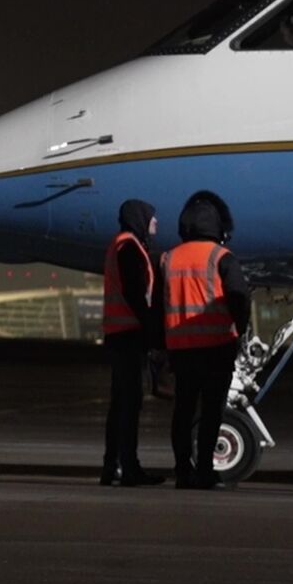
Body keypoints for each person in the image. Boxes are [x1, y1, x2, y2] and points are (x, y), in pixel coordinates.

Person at [161, 190, 251, 489]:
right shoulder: (222, 257)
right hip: (217, 349)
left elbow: (156, 304)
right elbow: (240, 298)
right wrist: (240, 331)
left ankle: (182, 472)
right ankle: (204, 472)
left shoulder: (168, 258)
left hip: (181, 350)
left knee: (182, 413)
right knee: (211, 413)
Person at [99, 199, 165, 487]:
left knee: (120, 406)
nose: (156, 223)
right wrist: (153, 333)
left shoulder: (122, 244)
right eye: (152, 218)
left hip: (119, 334)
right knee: (128, 405)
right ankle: (129, 468)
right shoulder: (129, 248)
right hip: (127, 335)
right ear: (140, 219)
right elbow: (136, 295)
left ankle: (112, 467)